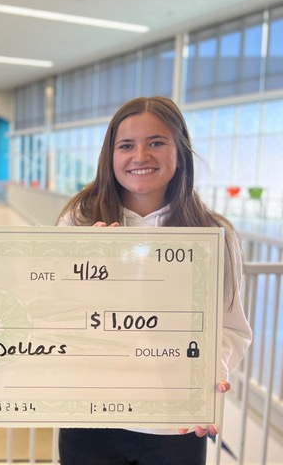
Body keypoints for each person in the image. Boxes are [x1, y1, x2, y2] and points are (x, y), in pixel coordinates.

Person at [56, 96, 252, 465]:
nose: (140, 156)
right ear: (110, 156)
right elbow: (51, 313)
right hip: (90, 416)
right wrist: (82, 271)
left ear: (180, 152)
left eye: (156, 142)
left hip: (173, 423)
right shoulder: (78, 222)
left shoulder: (213, 233)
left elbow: (229, 328)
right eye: (126, 146)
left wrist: (211, 371)